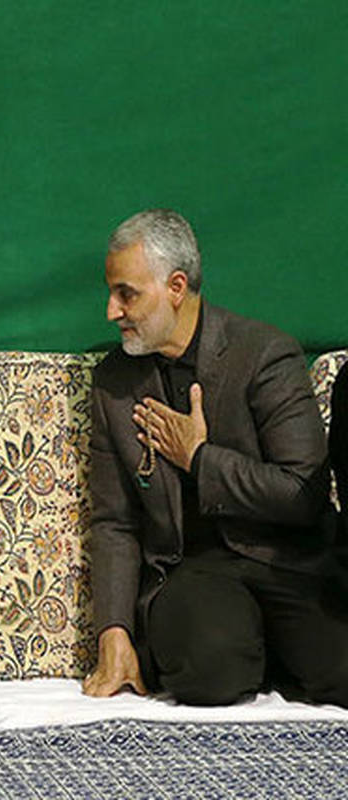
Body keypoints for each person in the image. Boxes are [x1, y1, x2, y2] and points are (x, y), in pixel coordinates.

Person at [81, 208, 348, 706]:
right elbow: (114, 521)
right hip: (192, 573)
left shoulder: (265, 354)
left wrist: (200, 459)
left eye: (126, 294)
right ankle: (252, 652)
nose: (111, 311)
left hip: (286, 564)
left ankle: (270, 651)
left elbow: (302, 493)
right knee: (210, 673)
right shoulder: (114, 384)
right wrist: (113, 630)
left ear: (176, 287)